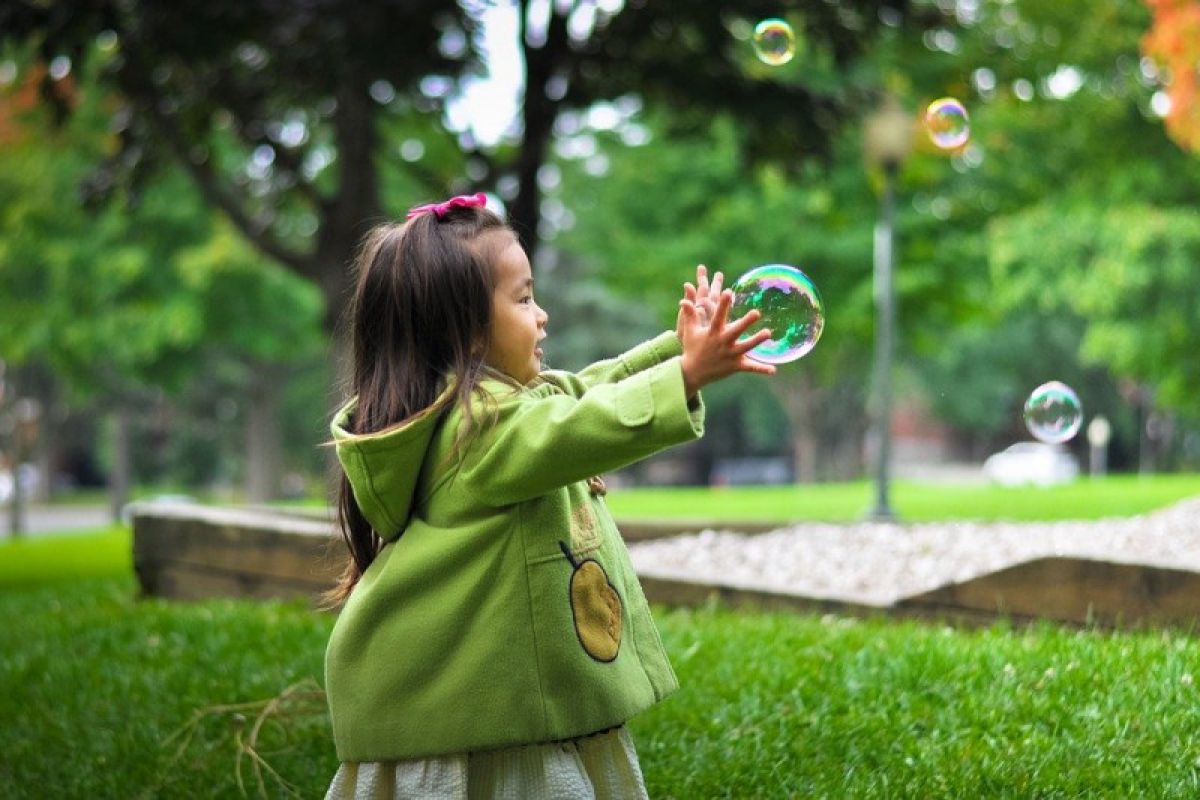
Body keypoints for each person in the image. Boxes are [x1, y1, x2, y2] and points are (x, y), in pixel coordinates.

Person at [323, 192, 775, 799]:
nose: (543, 316)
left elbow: (587, 388)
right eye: (524, 298)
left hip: (500, 705)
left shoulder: (493, 409)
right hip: (486, 724)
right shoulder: (479, 432)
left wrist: (677, 350)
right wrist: (686, 376)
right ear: (469, 333)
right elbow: (583, 424)